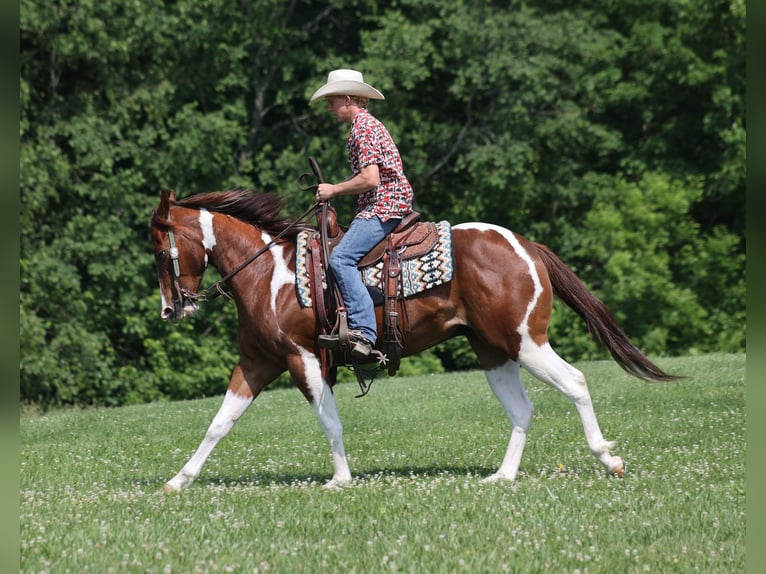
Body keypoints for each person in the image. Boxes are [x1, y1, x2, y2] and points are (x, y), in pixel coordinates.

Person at [309, 69, 414, 359]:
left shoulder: (363, 129)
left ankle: (365, 333)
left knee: (341, 259)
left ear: (347, 98)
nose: (329, 108)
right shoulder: (366, 126)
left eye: (331, 101)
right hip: (384, 203)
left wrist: (332, 190)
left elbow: (370, 179)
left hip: (384, 205)